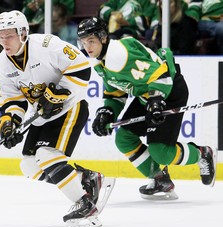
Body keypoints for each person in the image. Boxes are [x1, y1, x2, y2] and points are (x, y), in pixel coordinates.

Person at [77, 16, 216, 200]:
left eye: (91, 41)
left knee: (161, 153)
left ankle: (202, 154)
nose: (88, 47)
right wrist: (107, 111)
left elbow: (161, 74)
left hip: (170, 90)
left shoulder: (120, 55)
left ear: (103, 37)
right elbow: (116, 93)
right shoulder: (100, 60)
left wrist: (157, 100)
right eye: (84, 42)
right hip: (147, 97)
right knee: (124, 138)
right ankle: (160, 180)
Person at [0, 10, 105, 227]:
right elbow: (12, 100)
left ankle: (85, 205)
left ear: (23, 32)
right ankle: (87, 179)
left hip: (70, 107)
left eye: (10, 35)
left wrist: (59, 94)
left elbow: (81, 68)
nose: (4, 41)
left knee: (46, 155)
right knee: (30, 165)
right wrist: (10, 124)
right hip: (41, 117)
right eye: (0, 35)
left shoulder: (46, 45)